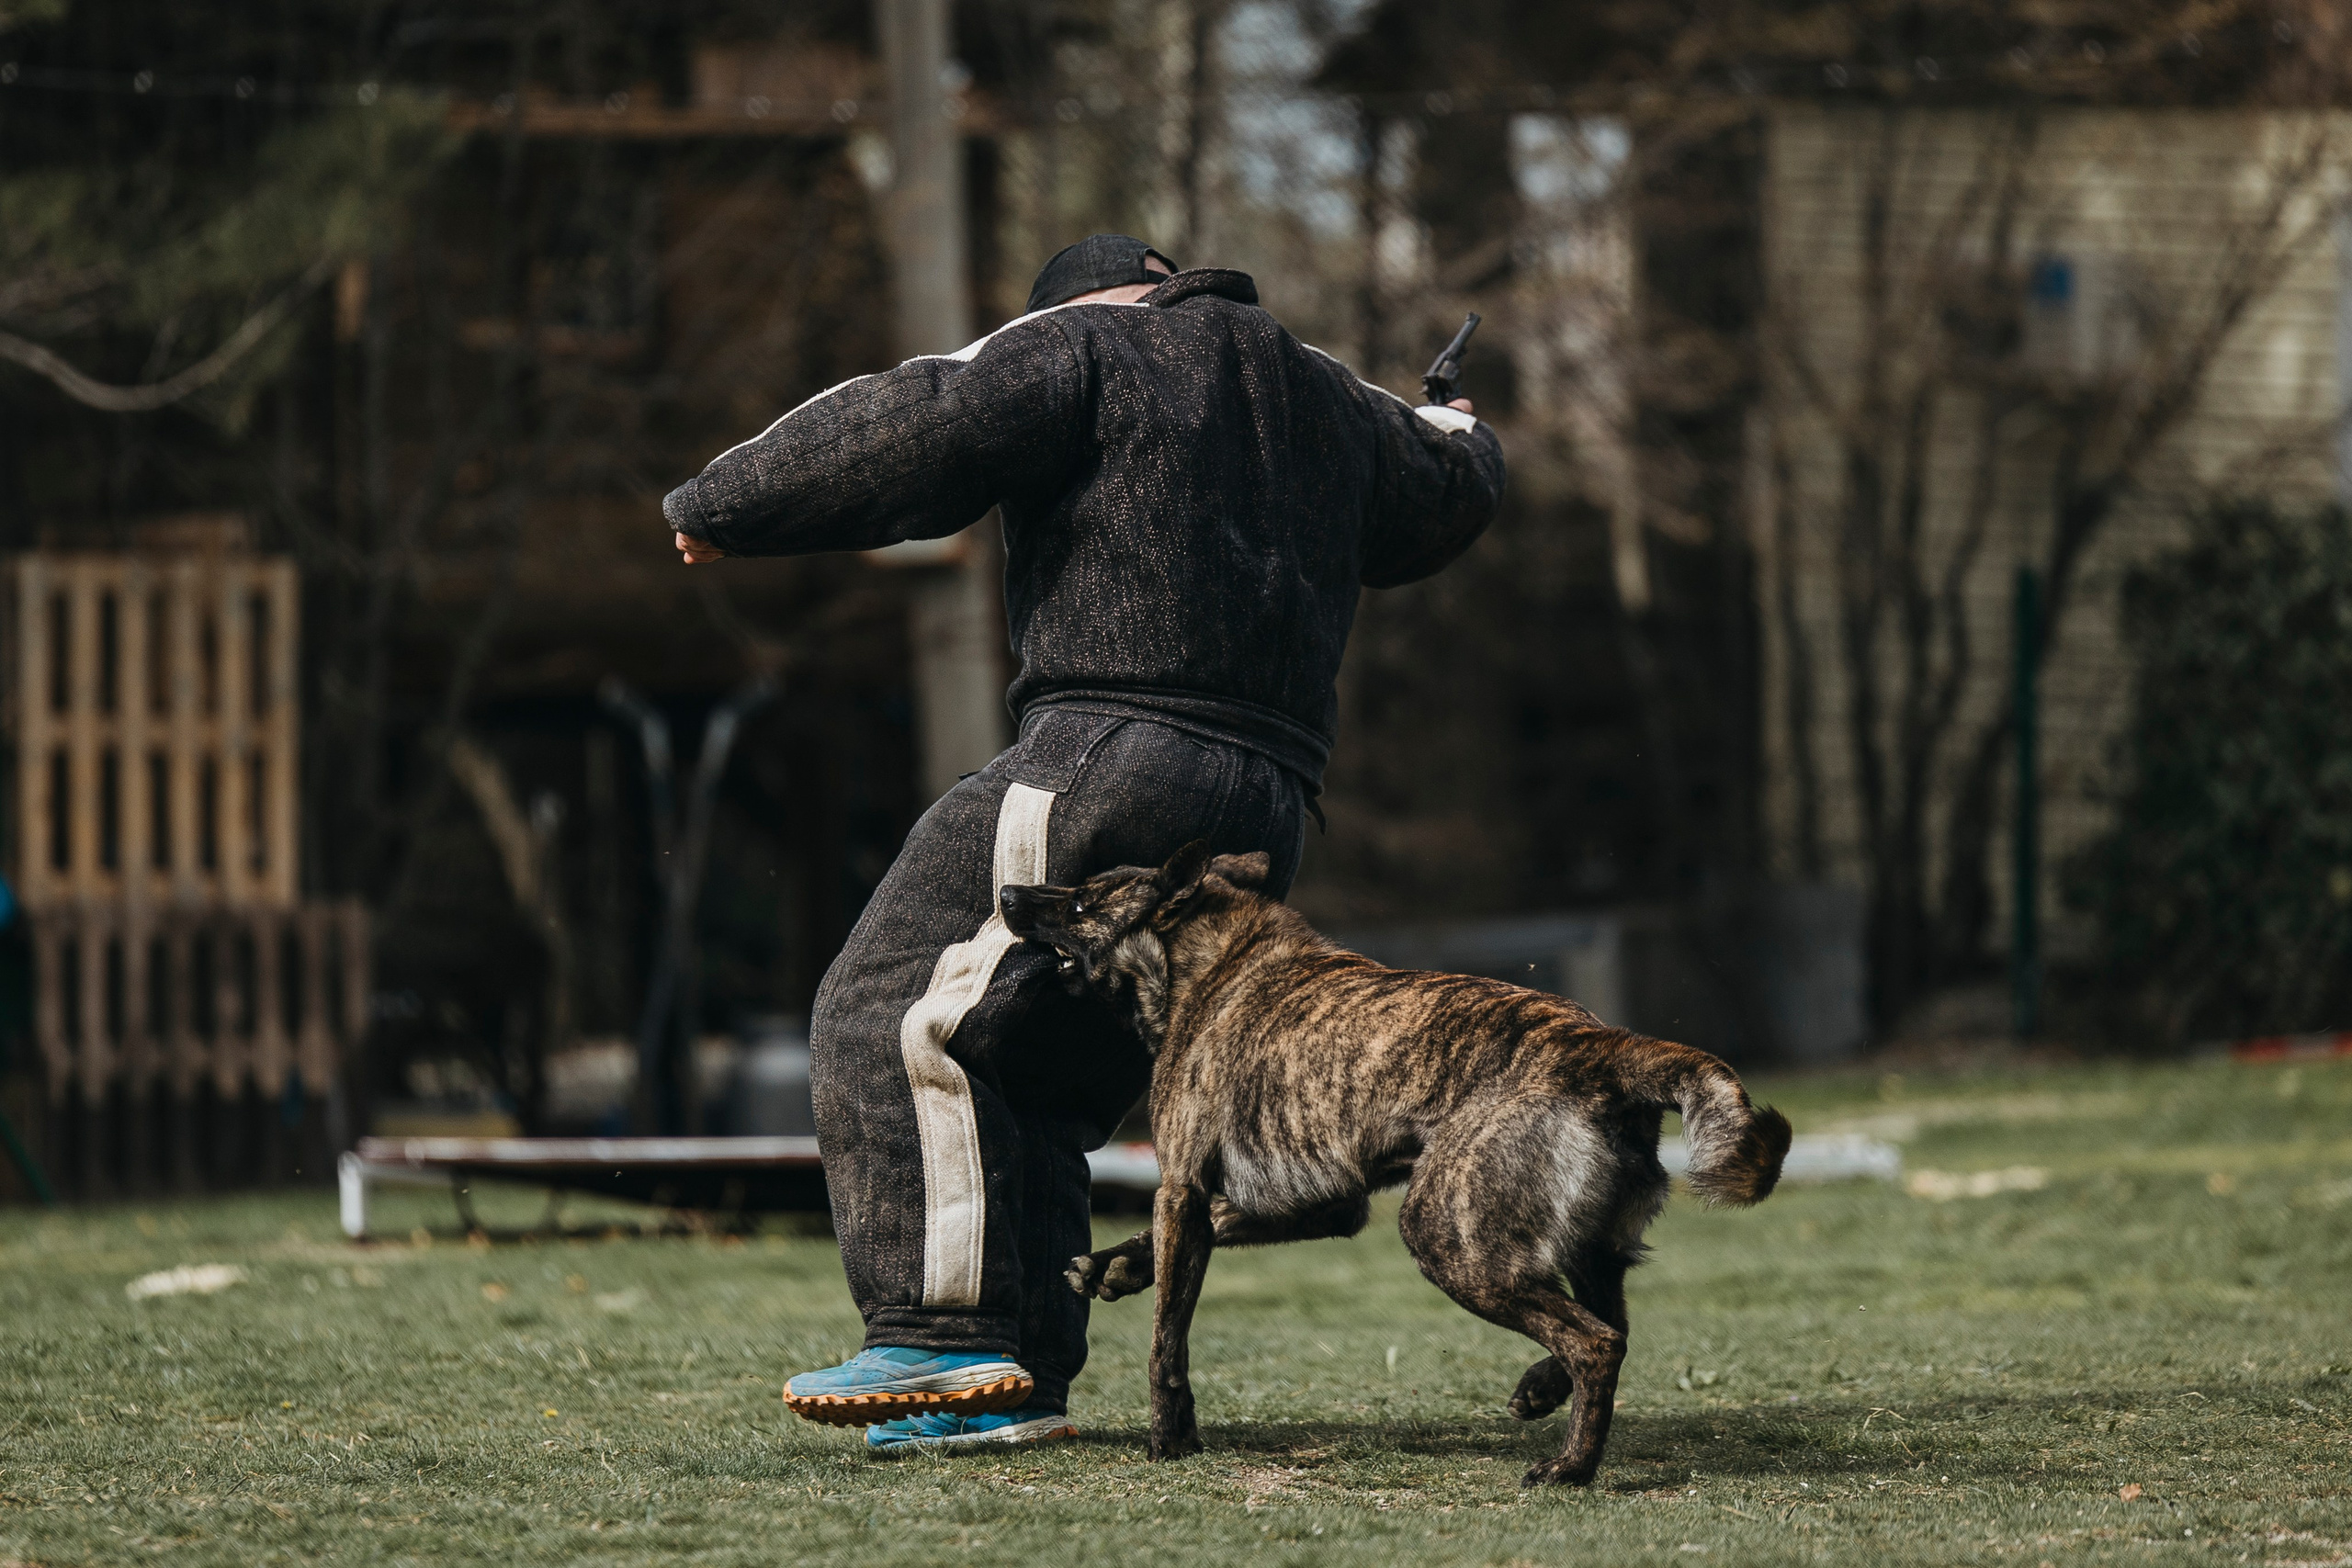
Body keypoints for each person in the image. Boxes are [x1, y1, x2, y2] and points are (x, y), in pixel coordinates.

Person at [662, 233, 1505, 1454]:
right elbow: (1448, 486)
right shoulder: (1328, 393)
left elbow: (922, 416)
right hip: (1269, 801)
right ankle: (1016, 1384)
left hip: (1111, 754)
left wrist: (723, 506)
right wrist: (1463, 425)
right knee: (1038, 1070)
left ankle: (943, 1343)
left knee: (891, 1006)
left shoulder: (1080, 344)